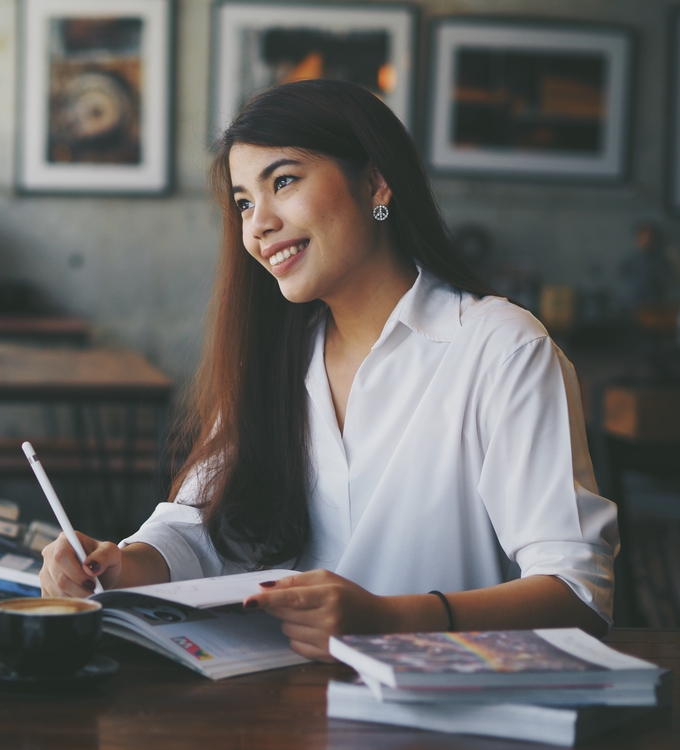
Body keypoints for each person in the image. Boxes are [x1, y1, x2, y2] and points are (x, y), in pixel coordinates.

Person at [40, 80, 618, 662]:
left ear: (375, 181)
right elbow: (199, 527)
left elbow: (578, 596)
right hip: (284, 711)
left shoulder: (500, 348)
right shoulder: (275, 356)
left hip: (444, 715)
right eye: (243, 202)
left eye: (283, 181)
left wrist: (390, 619)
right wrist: (118, 565)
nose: (258, 224)